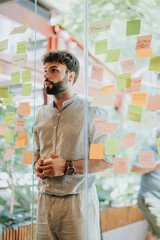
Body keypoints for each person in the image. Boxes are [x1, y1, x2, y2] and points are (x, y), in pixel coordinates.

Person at [34, 50, 113, 240]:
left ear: (70, 76)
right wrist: (36, 165)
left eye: (53, 70)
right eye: (45, 70)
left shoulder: (94, 111)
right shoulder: (40, 114)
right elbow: (36, 154)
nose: (46, 75)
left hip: (78, 202)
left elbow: (108, 160)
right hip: (44, 202)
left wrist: (67, 166)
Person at [132, 129, 160, 240]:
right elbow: (135, 168)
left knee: (153, 232)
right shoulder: (149, 151)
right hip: (150, 198)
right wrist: (156, 165)